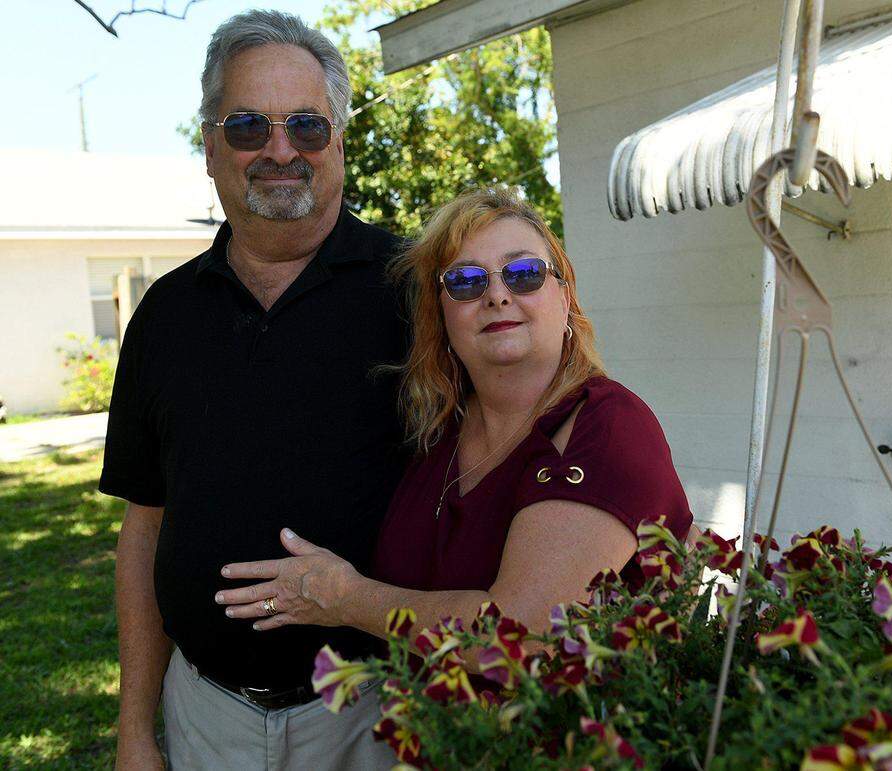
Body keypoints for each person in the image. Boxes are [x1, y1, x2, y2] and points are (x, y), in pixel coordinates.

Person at [101, 10, 404, 770]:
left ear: (338, 140)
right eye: (247, 127)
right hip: (207, 714)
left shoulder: (419, 290)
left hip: (379, 709)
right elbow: (145, 529)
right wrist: (135, 728)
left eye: (306, 126)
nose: (280, 150)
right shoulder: (164, 316)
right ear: (209, 147)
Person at [213, 188, 693, 665]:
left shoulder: (607, 427)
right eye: (466, 282)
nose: (498, 296)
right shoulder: (441, 432)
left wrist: (345, 598)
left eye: (524, 274)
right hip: (430, 738)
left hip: (572, 741)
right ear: (441, 316)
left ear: (565, 296)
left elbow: (517, 636)